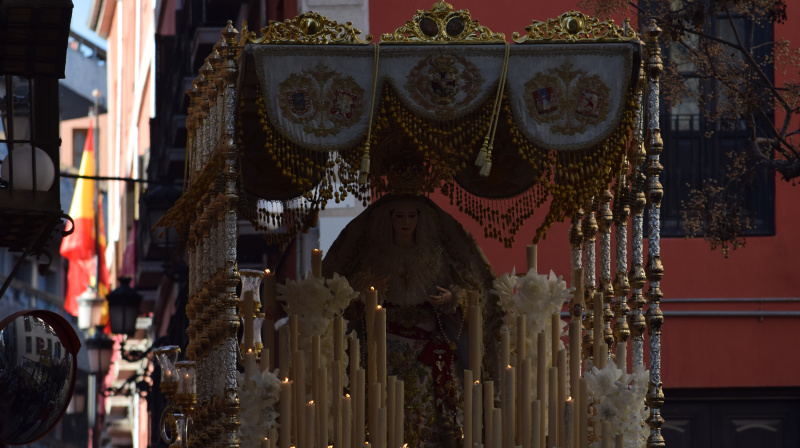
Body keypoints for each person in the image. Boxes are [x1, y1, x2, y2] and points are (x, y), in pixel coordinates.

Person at [323, 194, 499, 448]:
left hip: (429, 347)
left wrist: (451, 299)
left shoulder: (436, 255)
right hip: (383, 346)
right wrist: (364, 294)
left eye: (411, 216)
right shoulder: (374, 257)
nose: (405, 222)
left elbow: (468, 291)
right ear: (389, 219)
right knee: (381, 405)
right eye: (399, 216)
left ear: (420, 219)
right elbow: (348, 302)